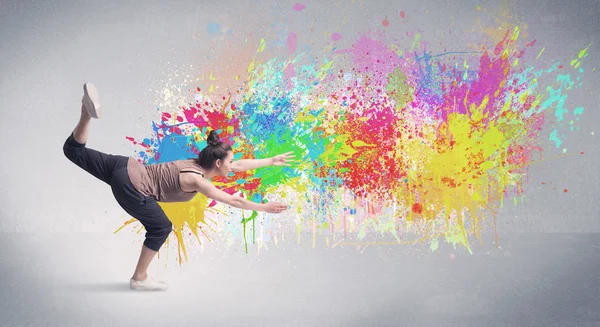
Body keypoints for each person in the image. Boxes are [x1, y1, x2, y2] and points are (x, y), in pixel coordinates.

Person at [63, 83, 293, 291]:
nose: (233, 165)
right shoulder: (198, 180)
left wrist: (271, 161)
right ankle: (139, 278)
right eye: (230, 162)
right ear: (218, 163)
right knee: (161, 227)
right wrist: (264, 208)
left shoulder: (201, 162)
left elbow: (240, 165)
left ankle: (86, 113)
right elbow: (235, 200)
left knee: (73, 151)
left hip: (124, 166)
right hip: (133, 187)